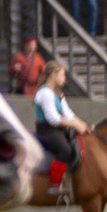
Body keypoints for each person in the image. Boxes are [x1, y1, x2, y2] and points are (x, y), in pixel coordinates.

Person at [33, 60, 85, 199]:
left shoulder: (57, 94)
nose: (64, 79)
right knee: (65, 151)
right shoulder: (45, 93)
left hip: (56, 130)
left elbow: (68, 113)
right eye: (62, 75)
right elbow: (53, 118)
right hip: (46, 131)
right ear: (54, 75)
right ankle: (54, 185)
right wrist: (74, 125)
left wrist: (83, 126)